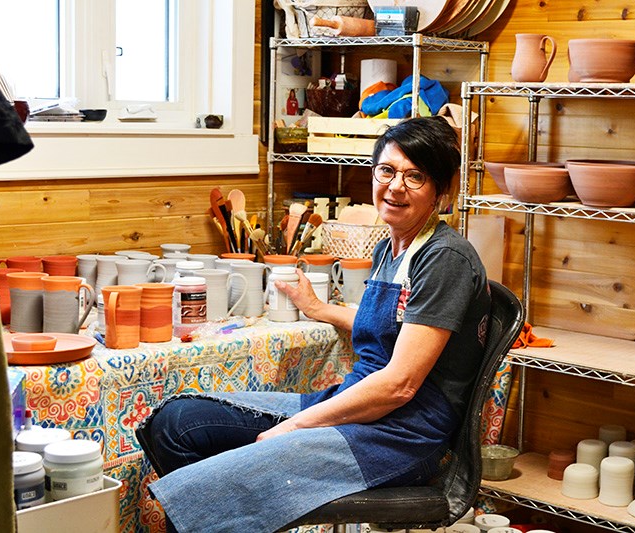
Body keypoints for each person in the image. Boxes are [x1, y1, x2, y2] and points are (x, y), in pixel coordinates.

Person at [135, 116, 491, 533]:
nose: (396, 186)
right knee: (177, 423)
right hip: (360, 404)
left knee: (201, 494)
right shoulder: (391, 247)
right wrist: (320, 309)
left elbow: (400, 384)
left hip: (402, 435)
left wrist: (296, 426)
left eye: (416, 177)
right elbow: (400, 325)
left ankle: (213, 506)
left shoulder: (444, 258)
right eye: (387, 170)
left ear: (440, 192)